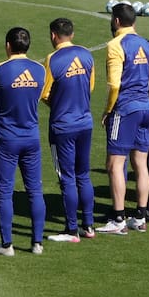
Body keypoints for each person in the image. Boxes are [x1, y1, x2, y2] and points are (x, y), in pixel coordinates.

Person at [97, 2, 149, 235]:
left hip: (124, 109)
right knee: (140, 164)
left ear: (116, 21)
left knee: (115, 164)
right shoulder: (147, 44)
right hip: (145, 108)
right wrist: (148, 101)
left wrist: (108, 110)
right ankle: (140, 216)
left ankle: (118, 219)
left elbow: (115, 84)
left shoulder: (115, 45)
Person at [0, 27, 47, 256]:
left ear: (8, 45)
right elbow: (39, 95)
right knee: (35, 191)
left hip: (7, 139)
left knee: (4, 191)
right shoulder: (40, 69)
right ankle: (37, 243)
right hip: (31, 137)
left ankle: (7, 245)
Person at [41, 17, 96, 243]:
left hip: (62, 126)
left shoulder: (52, 59)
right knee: (83, 174)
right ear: (72, 34)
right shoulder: (87, 54)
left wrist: (60, 104)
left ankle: (72, 230)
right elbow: (91, 86)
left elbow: (45, 93)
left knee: (67, 177)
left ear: (53, 35)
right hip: (85, 122)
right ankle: (89, 225)